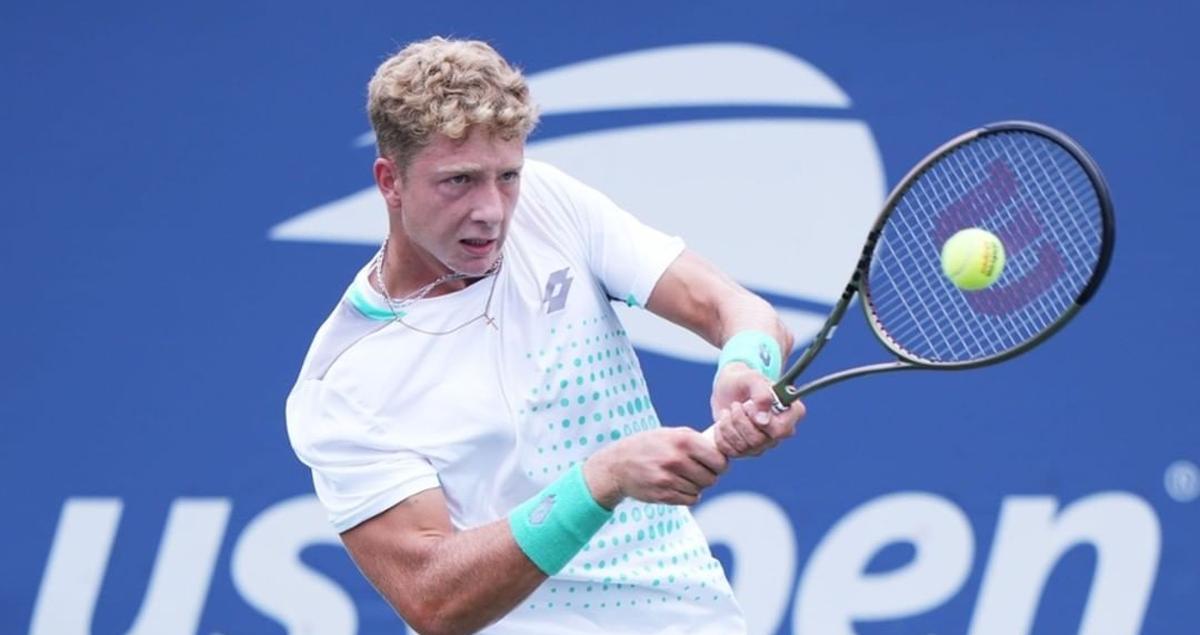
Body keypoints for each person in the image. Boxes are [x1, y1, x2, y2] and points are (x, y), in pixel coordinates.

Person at [285, 36, 806, 635]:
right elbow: (433, 601)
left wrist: (747, 365)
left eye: (506, 175)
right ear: (390, 181)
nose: (492, 210)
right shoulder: (344, 380)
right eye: (458, 181)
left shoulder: (548, 203)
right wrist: (601, 480)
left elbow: (731, 307)